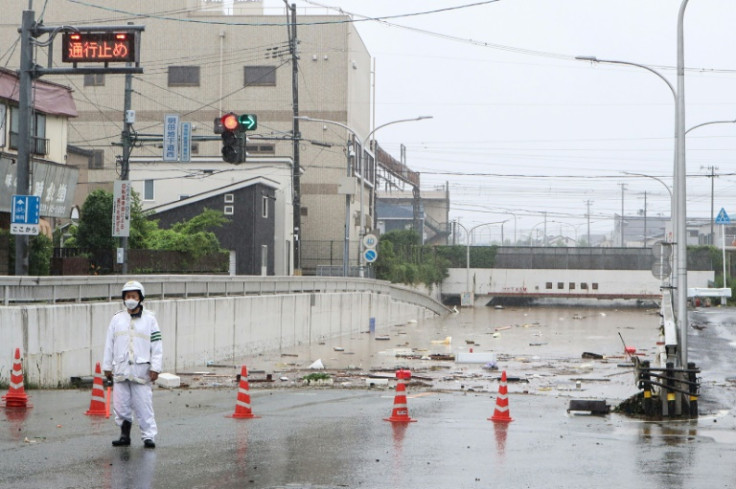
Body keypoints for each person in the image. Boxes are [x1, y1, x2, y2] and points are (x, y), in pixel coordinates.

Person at [103, 280, 162, 449]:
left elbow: (157, 345)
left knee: (144, 406)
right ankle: (124, 435)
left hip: (141, 371)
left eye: (134, 296)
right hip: (121, 370)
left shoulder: (150, 320)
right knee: (121, 406)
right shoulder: (117, 319)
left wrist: (155, 367)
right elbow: (109, 343)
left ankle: (148, 436)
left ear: (140, 298)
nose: (130, 299)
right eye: (128, 296)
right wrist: (107, 367)